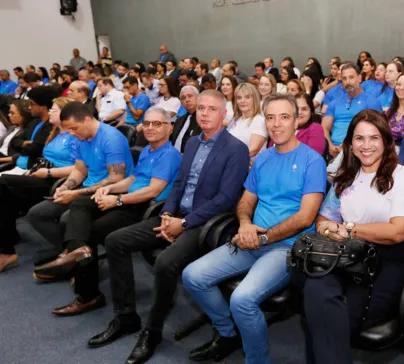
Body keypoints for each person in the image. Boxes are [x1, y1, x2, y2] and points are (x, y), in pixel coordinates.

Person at [87, 90, 249, 364]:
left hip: (202, 224)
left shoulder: (236, 149)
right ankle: (126, 316)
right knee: (115, 241)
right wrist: (168, 214)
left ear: (224, 115)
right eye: (201, 109)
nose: (205, 114)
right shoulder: (192, 143)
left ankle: (152, 332)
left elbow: (226, 199)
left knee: (164, 264)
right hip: (175, 215)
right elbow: (178, 184)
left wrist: (183, 223)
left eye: (212, 109)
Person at [181, 93, 326, 363]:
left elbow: (306, 217)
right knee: (193, 276)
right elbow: (246, 201)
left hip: (285, 248)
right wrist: (246, 224)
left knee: (242, 299)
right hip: (252, 239)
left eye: (284, 117)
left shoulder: (312, 161)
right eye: (270, 117)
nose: (276, 124)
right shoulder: (262, 158)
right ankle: (228, 333)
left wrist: (264, 237)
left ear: (297, 122)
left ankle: (257, 359)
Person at [299, 109, 404, 364]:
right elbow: (323, 219)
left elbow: (399, 231)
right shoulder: (345, 177)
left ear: (387, 142)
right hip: (346, 254)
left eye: (374, 138)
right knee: (315, 292)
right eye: (359, 138)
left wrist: (350, 228)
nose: (366, 146)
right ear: (350, 144)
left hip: (390, 259)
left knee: (334, 316)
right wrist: (330, 229)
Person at [42, 107, 182, 315]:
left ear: (170, 128)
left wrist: (116, 199)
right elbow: (133, 179)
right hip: (128, 200)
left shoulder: (169, 155)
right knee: (81, 205)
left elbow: (152, 191)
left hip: (145, 209)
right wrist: (108, 188)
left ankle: (87, 292)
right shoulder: (148, 150)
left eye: (157, 124)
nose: (150, 128)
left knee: (88, 229)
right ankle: (77, 250)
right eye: (148, 123)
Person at [26, 102, 134, 255]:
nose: (71, 133)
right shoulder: (79, 137)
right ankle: (70, 255)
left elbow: (116, 179)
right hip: (86, 187)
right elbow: (79, 170)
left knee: (66, 219)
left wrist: (75, 193)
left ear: (87, 120)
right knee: (37, 214)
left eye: (74, 128)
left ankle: (76, 259)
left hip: (109, 192)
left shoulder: (111, 138)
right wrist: (65, 187)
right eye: (69, 129)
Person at [0, 97, 77, 272]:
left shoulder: (74, 135)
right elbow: (44, 158)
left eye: (54, 110)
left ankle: (6, 247)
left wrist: (48, 172)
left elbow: (79, 167)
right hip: (41, 175)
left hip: (56, 181)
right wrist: (36, 169)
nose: (49, 112)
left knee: (2, 183)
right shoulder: (55, 132)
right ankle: (7, 241)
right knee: (5, 195)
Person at [322, 63, 383, 159]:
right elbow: (324, 127)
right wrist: (330, 145)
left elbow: (378, 131)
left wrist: (347, 145)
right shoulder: (335, 103)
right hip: (333, 150)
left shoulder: (371, 102)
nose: (348, 82)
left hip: (359, 152)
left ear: (359, 78)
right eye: (344, 78)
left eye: (351, 77)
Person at [1, 87, 55, 173]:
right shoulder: (34, 122)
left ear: (43, 107)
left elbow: (34, 149)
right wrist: (24, 143)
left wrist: (22, 146)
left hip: (31, 167)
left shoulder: (50, 126)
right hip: (18, 165)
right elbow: (15, 141)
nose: (29, 107)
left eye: (32, 104)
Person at [227, 83, 267, 158]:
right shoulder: (236, 120)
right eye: (239, 98)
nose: (242, 101)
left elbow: (253, 150)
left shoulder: (259, 120)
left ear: (254, 99)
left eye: (247, 97)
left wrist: (229, 159)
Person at [172, 86, 201, 153]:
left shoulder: (204, 120)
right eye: (183, 98)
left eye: (190, 96)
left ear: (198, 98)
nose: (187, 100)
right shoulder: (179, 120)